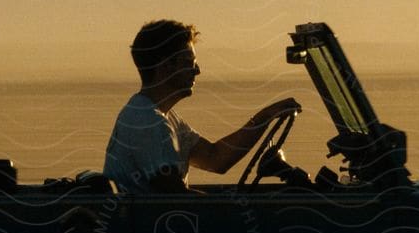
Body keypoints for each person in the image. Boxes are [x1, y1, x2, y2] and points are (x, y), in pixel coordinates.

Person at [104, 19, 300, 192]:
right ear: (165, 66)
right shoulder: (147, 121)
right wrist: (231, 212)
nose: (197, 70)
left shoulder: (165, 117)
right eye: (189, 62)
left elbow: (216, 159)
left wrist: (266, 116)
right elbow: (176, 198)